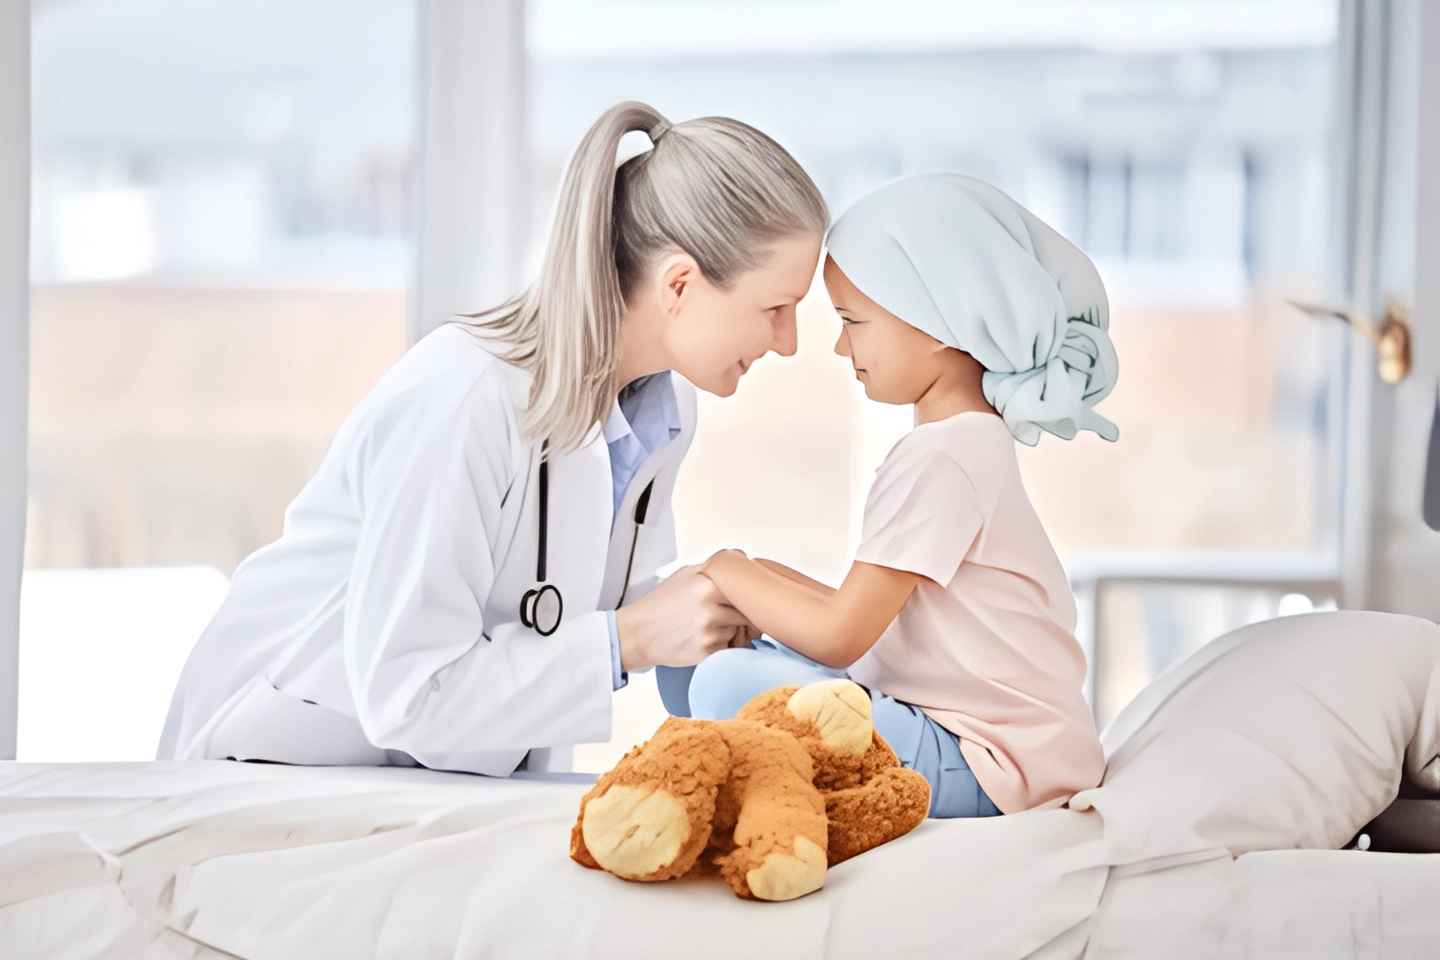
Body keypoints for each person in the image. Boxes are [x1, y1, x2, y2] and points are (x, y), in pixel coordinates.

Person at [157, 101, 828, 775]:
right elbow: (409, 692)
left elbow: (557, 591)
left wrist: (699, 604)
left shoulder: (662, 409)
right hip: (266, 761)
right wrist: (630, 639)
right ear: (679, 283)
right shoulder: (462, 398)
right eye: (776, 307)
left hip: (431, 777)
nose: (790, 342)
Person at [679, 173, 1117, 818]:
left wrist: (724, 568)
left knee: (723, 680)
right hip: (953, 729)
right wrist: (753, 580)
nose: (839, 346)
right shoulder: (963, 442)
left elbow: (841, 636)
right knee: (695, 660)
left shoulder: (945, 454)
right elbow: (868, 613)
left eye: (853, 321)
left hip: (988, 763)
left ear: (937, 322)